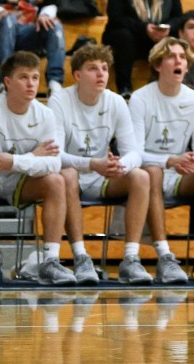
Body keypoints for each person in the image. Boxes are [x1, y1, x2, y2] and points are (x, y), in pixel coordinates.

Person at [129, 37, 194, 285]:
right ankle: (165, 256)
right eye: (171, 56)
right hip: (146, 174)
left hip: (179, 173)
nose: (179, 61)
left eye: (182, 58)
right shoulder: (140, 98)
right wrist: (170, 160)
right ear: (158, 65)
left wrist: (193, 162)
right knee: (152, 171)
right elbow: (134, 152)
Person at [50, 42, 153, 286]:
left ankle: (130, 259)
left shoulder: (116, 101)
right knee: (67, 174)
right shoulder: (59, 101)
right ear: (77, 75)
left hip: (102, 175)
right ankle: (81, 256)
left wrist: (122, 166)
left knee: (141, 176)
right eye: (93, 69)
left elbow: (134, 152)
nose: (101, 74)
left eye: (105, 69)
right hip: (72, 175)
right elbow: (54, 155)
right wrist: (91, 163)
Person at [0, 51, 76, 287]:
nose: (31, 84)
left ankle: (50, 261)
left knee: (57, 181)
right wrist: (32, 156)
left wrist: (14, 161)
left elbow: (53, 163)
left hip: (22, 181)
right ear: (8, 82)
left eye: (35, 77)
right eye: (23, 77)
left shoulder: (46, 114)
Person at [103, 0, 183, 97]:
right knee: (122, 35)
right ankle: (124, 86)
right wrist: (144, 28)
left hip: (157, 37)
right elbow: (116, 18)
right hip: (130, 37)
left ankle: (169, 85)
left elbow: (179, 17)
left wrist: (167, 29)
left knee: (176, 39)